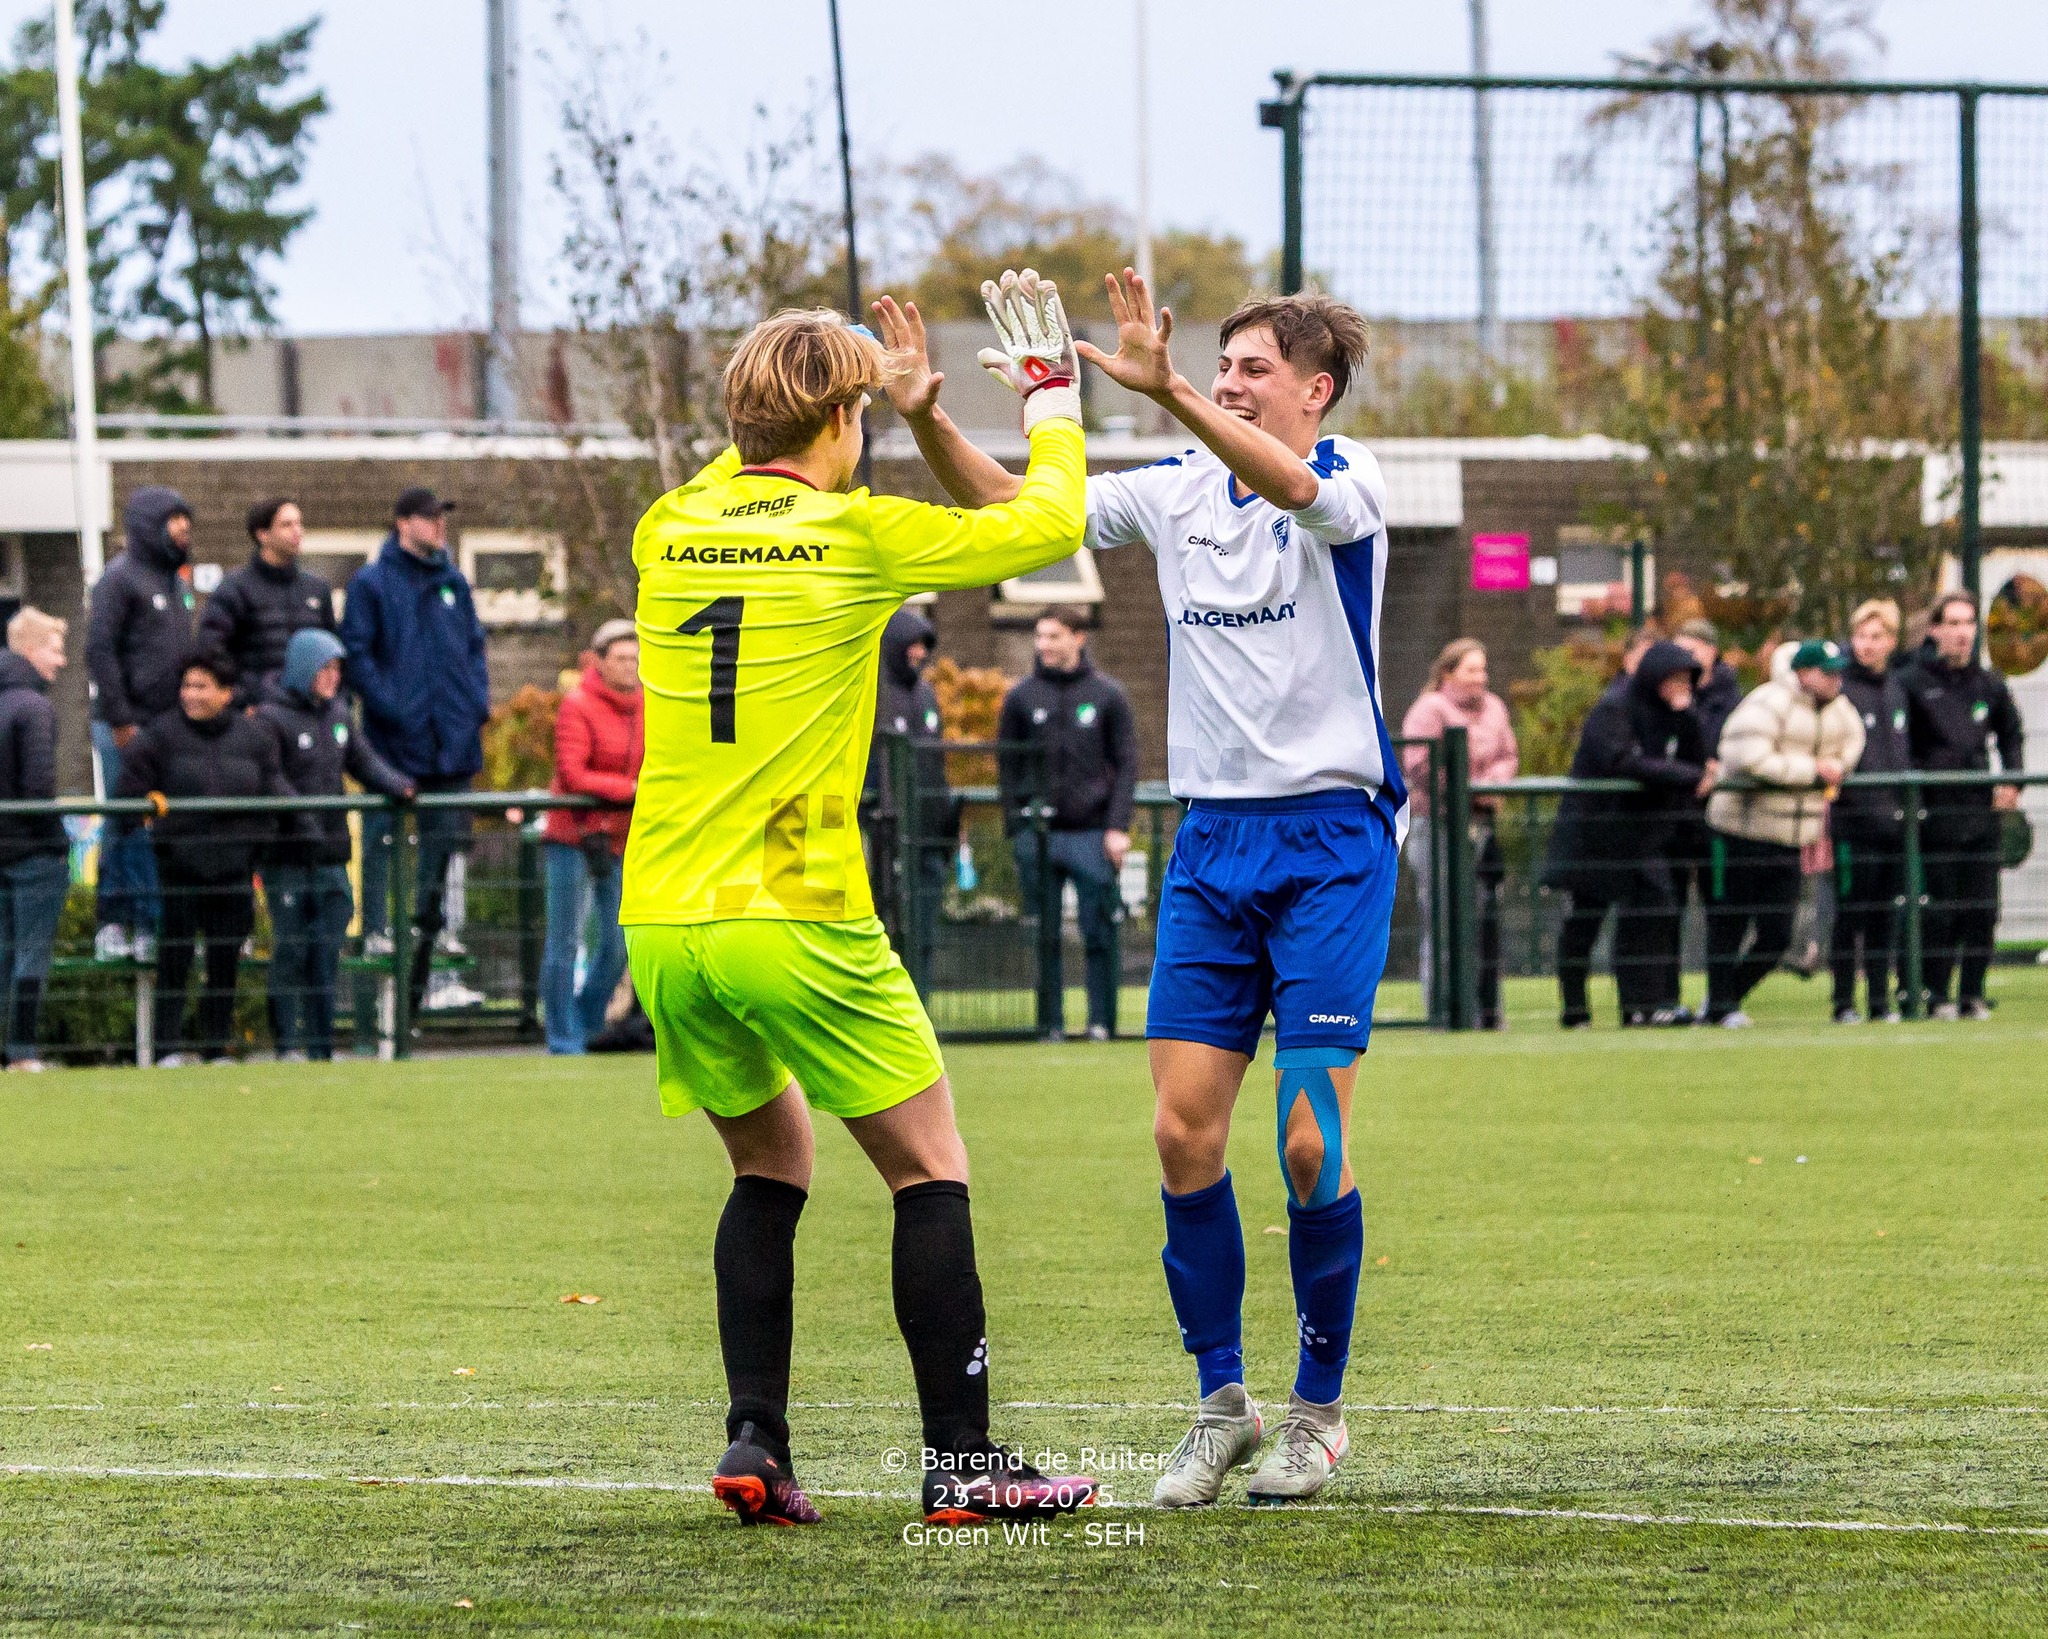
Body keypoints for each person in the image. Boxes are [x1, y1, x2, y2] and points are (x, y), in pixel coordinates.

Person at [887, 273, 1399, 1506]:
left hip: (1329, 839)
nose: (1226, 380)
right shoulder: (1173, 494)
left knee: (1305, 1140)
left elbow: (1289, 486)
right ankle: (1220, 1402)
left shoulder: (1350, 479)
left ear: (1314, 388)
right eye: (1215, 366)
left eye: (1249, 369)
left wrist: (1162, 388)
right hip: (1211, 846)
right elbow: (1017, 509)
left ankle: (1315, 1411)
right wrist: (923, 417)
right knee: (1180, 1133)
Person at [621, 281, 1098, 1527]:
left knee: (769, 1163)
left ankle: (755, 1440)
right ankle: (963, 1462)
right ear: (841, 416)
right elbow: (1050, 526)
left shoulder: (666, 523)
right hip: (795, 906)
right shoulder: (857, 533)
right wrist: (1048, 402)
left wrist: (872, 397)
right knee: (927, 1167)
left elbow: (761, 515)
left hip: (666, 914)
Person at [340, 486, 491, 1026]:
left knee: (448, 845)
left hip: (452, 744)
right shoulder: (372, 584)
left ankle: (437, 940)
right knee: (382, 840)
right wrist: (394, 708)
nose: (439, 526)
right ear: (403, 522)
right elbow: (358, 655)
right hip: (395, 746)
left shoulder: (453, 582)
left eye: (441, 518)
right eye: (430, 518)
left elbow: (475, 649)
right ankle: (378, 926)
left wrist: (476, 705)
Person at [115, 647, 295, 1066]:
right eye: (186, 685)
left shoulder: (255, 739)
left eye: (202, 686)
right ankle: (167, 1050)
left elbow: (273, 792)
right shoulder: (158, 736)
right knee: (174, 960)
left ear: (226, 693)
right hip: (178, 868)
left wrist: (256, 847)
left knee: (224, 963)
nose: (191, 694)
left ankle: (216, 1049)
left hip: (233, 870)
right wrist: (147, 810)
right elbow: (127, 795)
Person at [257, 629, 414, 1061]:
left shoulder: (338, 715)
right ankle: (288, 1044)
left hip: (330, 855)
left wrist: (399, 785)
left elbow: (362, 760)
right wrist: (303, 819)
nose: (332, 677)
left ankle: (321, 1047)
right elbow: (272, 778)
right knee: (291, 949)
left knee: (326, 953)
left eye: (337, 668)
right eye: (325, 667)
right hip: (288, 856)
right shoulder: (271, 719)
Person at [1544, 643, 1713, 1029]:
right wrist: (1689, 776)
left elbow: (1695, 759)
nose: (1680, 687)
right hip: (1596, 835)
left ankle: (1644, 1006)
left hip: (1641, 837)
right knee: (1585, 922)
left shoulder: (1673, 714)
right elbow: (1622, 762)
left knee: (1653, 911)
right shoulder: (1613, 709)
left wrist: (1688, 718)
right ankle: (1575, 1010)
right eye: (1675, 679)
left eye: (1687, 680)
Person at [1703, 639, 1865, 1027]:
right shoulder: (1766, 702)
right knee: (1730, 923)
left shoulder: (1840, 708)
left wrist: (1835, 767)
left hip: (1793, 836)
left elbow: (1853, 743)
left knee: (1776, 936)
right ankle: (1722, 1005)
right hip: (1743, 832)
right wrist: (1812, 770)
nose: (1836, 679)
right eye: (1828, 672)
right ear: (1804, 674)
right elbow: (1747, 758)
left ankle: (1725, 997)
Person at [996, 606, 1139, 1041]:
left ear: (1079, 637)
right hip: (1037, 837)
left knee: (1098, 931)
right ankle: (1050, 1024)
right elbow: (1007, 765)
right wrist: (1017, 825)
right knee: (1045, 935)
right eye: (1040, 637)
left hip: (1092, 834)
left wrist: (1117, 827)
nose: (1043, 645)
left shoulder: (1108, 695)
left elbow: (1127, 764)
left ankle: (1100, 1022)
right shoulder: (1021, 697)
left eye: (1053, 636)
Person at [1898, 592, 2025, 1019]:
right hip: (1933, 815)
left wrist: (2012, 779)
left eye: (1968, 623)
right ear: (1935, 630)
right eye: (1951, 623)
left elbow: (2012, 734)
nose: (1961, 632)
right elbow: (1901, 746)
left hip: (1980, 814)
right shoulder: (1913, 681)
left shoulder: (1989, 683)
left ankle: (1972, 991)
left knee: (1983, 908)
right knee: (1940, 909)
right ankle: (1935, 992)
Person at [86, 486, 195, 962]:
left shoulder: (174, 582)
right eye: (175, 520)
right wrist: (121, 718)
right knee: (124, 821)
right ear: (152, 523)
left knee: (155, 824)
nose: (184, 528)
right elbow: (99, 649)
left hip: (165, 726)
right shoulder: (119, 579)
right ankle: (114, 922)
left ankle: (150, 923)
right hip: (126, 727)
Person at [1399, 638, 1519, 1028]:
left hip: (1481, 826)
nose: (1479, 678)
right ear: (1448, 672)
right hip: (1436, 825)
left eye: (1483, 670)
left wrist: (1489, 786)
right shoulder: (1429, 709)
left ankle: (1487, 1010)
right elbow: (1419, 766)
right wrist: (1465, 785)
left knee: (1485, 916)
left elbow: (1508, 756)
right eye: (1471, 669)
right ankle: (1443, 1009)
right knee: (1443, 916)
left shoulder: (1496, 708)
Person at [540, 619, 643, 1055]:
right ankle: (563, 1038)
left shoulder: (648, 705)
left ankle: (585, 1023)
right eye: (620, 657)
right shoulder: (578, 704)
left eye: (635, 658)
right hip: (574, 837)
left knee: (619, 946)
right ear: (599, 662)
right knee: (564, 941)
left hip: (619, 840)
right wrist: (632, 791)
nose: (630, 666)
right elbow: (573, 772)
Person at [860, 607, 958, 984]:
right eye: (912, 644)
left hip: (929, 834)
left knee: (924, 927)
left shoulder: (927, 693)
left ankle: (922, 1001)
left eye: (924, 646)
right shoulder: (874, 693)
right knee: (888, 927)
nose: (919, 653)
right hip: (885, 831)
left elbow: (937, 761)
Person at [1828, 600, 1910, 1023]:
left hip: (1894, 824)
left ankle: (1880, 1000)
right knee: (1850, 914)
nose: (1866, 645)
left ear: (1891, 642)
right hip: (1852, 825)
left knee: (1885, 916)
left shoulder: (1898, 689)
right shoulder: (1841, 689)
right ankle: (1843, 1001)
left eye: (1876, 636)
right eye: (1861, 635)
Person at [0, 609, 74, 1070]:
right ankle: (23, 1051)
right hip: (32, 854)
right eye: (54, 648)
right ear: (30, 650)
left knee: (3, 955)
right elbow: (38, 790)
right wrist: (57, 844)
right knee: (31, 956)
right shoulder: (35, 707)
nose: (62, 660)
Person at [198, 498, 337, 704]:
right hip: (259, 710)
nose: (297, 531)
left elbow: (332, 651)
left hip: (310, 711)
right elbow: (212, 650)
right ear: (262, 534)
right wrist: (241, 699)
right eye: (286, 525)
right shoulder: (235, 587)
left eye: (299, 523)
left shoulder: (317, 589)